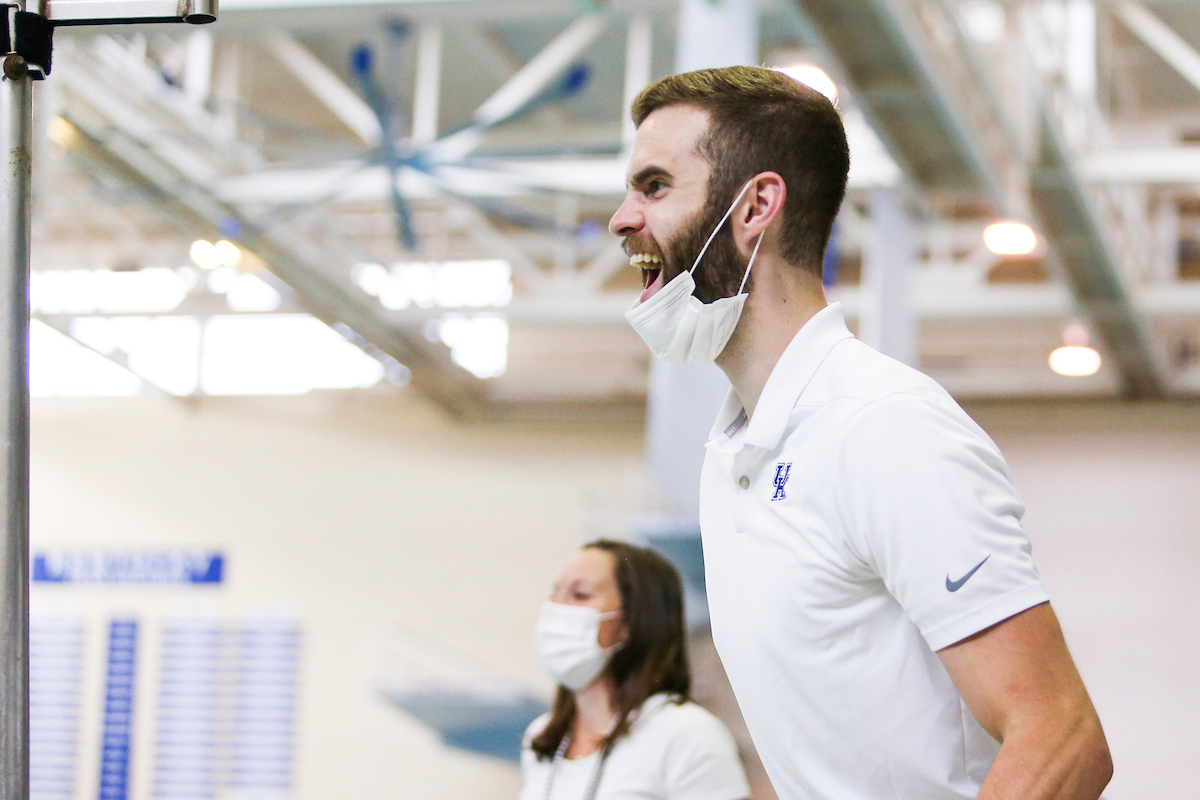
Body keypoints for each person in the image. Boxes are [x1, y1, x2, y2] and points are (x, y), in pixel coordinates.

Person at [608, 66, 1113, 800]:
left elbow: (1062, 735)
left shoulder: (882, 427)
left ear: (755, 207)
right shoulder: (730, 458)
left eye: (654, 187)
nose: (622, 218)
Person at [520, 539, 750, 800]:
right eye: (555, 594)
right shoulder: (543, 736)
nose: (557, 609)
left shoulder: (685, 733)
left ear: (633, 620)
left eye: (580, 595)